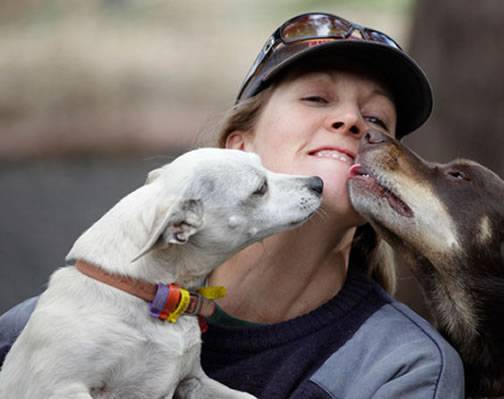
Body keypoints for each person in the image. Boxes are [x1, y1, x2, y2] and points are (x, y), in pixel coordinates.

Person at [0, 12, 464, 398]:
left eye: (376, 119)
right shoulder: (44, 330)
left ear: (383, 187)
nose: (350, 121)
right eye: (317, 98)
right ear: (235, 150)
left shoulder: (400, 368)